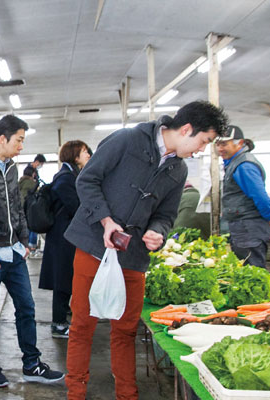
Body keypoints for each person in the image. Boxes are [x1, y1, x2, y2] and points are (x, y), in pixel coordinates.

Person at [64, 101, 229, 399]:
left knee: (125, 331)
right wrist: (106, 220)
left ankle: (128, 395)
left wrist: (158, 232)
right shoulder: (127, 140)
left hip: (134, 256)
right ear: (187, 129)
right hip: (93, 247)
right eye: (204, 141)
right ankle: (75, 393)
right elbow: (87, 180)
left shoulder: (178, 170)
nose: (202, 149)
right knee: (82, 326)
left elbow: (166, 214)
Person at [0, 115, 64, 387]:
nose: (22, 146)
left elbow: (16, 204)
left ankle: (31, 364)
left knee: (27, 307)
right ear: (3, 139)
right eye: (19, 140)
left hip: (14, 252)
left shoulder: (11, 167)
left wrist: (24, 240)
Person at [38, 141, 91, 339]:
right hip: (63, 238)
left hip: (67, 236)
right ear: (74, 155)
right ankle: (58, 324)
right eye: (84, 152)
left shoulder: (71, 175)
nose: (88, 155)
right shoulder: (66, 178)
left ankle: (62, 318)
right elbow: (76, 207)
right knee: (62, 281)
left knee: (66, 279)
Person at [216, 125, 270, 268]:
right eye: (217, 144)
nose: (220, 149)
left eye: (224, 144)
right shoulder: (234, 163)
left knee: (252, 272)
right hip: (244, 226)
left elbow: (260, 196)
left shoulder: (244, 165)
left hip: (249, 227)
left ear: (240, 143)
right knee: (245, 270)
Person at [21, 154, 46, 252]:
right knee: (32, 224)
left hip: (25, 204)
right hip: (29, 204)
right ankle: (31, 244)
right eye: (41, 163)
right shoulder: (30, 178)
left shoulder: (22, 181)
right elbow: (33, 190)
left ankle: (29, 244)